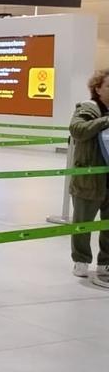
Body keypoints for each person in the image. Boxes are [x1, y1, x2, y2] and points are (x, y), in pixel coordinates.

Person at [69, 69, 109, 278]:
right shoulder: (88, 108)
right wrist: (106, 121)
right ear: (98, 88)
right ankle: (81, 260)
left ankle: (106, 262)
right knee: (83, 223)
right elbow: (77, 130)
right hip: (89, 179)